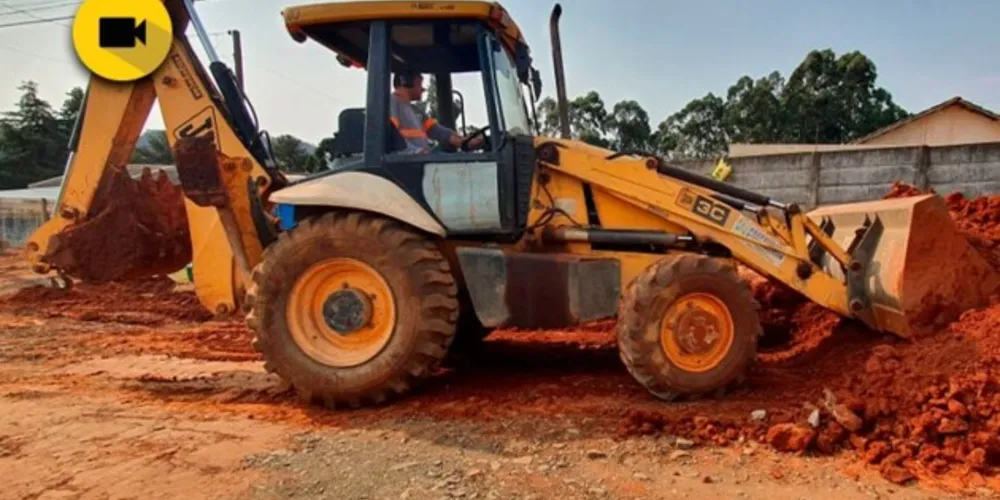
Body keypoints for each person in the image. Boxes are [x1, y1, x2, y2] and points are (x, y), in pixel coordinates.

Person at [389, 70, 484, 153]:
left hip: (419, 160)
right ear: (406, 81)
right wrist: (417, 152)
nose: (423, 89)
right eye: (420, 84)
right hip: (404, 164)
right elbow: (392, 137)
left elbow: (438, 131)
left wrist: (464, 142)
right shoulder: (389, 104)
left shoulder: (416, 110)